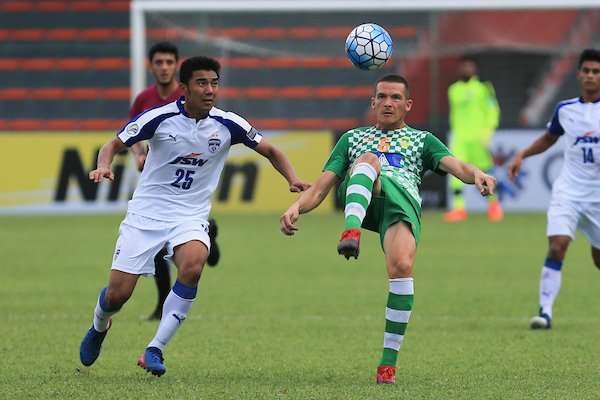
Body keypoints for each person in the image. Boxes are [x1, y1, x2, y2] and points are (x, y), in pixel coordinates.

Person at [80, 56, 310, 377]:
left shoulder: (228, 123)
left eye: (214, 83)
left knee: (193, 265)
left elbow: (270, 150)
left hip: (189, 215)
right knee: (118, 294)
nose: (210, 89)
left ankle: (155, 349)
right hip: (146, 215)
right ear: (184, 88)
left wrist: (292, 178)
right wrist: (104, 164)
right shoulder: (159, 118)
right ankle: (99, 325)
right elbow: (113, 144)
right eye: (202, 83)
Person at [280, 75, 496, 384]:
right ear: (372, 102)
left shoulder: (423, 140)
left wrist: (477, 173)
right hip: (361, 197)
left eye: (395, 97)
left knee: (402, 267)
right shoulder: (352, 139)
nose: (387, 103)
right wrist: (296, 207)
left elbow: (457, 167)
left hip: (400, 204)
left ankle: (387, 365)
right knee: (368, 160)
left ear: (408, 105)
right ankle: (350, 231)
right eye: (381, 97)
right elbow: (319, 189)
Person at [507, 48, 600, 330]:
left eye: (596, 72)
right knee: (557, 245)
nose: (591, 76)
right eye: (586, 71)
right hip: (569, 191)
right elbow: (550, 137)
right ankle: (545, 312)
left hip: (598, 197)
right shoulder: (565, 109)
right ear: (579, 74)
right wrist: (523, 154)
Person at [130, 42, 221, 321]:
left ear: (177, 67)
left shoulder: (192, 95)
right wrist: (138, 155)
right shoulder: (144, 99)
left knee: (177, 245)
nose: (164, 67)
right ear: (151, 66)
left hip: (190, 186)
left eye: (169, 62)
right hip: (158, 181)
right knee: (156, 249)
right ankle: (161, 304)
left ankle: (206, 233)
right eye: (159, 62)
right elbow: (131, 134)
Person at [444, 55, 502, 222]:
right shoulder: (453, 90)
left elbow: (493, 110)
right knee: (454, 170)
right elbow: (454, 114)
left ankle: (494, 205)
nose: (466, 70)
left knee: (485, 171)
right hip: (460, 138)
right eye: (464, 67)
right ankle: (459, 208)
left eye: (469, 67)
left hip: (478, 137)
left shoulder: (484, 88)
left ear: (475, 69)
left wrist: (488, 131)